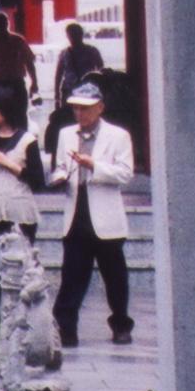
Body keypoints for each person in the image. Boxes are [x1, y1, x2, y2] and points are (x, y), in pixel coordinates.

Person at [47, 82, 135, 346]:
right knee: (72, 275)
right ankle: (66, 328)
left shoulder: (118, 136)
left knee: (114, 276)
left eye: (85, 109)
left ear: (100, 108)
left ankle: (121, 323)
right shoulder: (65, 134)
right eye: (76, 109)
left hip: (105, 214)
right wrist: (60, 177)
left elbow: (125, 173)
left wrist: (94, 165)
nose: (80, 114)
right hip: (76, 210)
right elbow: (60, 166)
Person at [0, 80, 45, 316]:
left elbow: (37, 180)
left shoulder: (27, 140)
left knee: (21, 267)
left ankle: (24, 314)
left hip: (19, 209)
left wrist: (7, 162)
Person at [42, 22, 106, 161]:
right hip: (72, 92)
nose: (73, 38)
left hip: (80, 92)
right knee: (72, 121)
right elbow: (102, 71)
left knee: (76, 121)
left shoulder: (83, 52)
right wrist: (57, 95)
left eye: (74, 35)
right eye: (71, 35)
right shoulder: (82, 52)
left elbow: (59, 75)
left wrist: (58, 95)